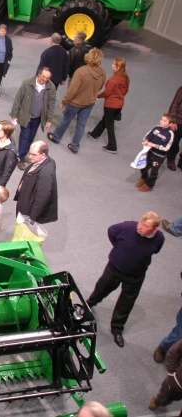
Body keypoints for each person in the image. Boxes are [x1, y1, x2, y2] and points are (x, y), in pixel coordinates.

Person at [86, 212, 165, 347]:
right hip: (114, 269)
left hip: (136, 276)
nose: (140, 227)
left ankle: (117, 329)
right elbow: (111, 232)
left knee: (126, 303)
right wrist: (118, 249)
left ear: (155, 229)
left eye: (145, 226)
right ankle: (88, 304)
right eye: (140, 223)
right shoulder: (127, 227)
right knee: (101, 289)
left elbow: (156, 249)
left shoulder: (159, 238)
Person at [47, 48, 106, 154]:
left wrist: (65, 101)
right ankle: (75, 146)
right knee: (81, 125)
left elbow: (72, 89)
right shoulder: (102, 72)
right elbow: (100, 87)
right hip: (89, 103)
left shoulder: (81, 71)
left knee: (66, 120)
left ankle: (56, 137)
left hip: (75, 102)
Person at [11, 68, 56, 170]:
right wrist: (14, 113)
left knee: (31, 137)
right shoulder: (27, 83)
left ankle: (24, 153)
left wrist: (49, 119)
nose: (45, 79)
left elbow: (51, 104)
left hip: (37, 118)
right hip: (25, 115)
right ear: (39, 74)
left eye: (48, 78)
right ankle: (20, 158)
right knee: (25, 137)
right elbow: (18, 98)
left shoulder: (51, 87)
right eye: (43, 77)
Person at [88, 58, 130, 154]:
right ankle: (95, 134)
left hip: (110, 104)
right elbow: (125, 91)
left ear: (118, 67)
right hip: (119, 104)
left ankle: (112, 146)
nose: (112, 65)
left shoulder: (113, 80)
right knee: (106, 119)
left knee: (109, 124)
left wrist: (97, 96)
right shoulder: (126, 78)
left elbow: (107, 92)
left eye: (114, 64)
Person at [14, 140, 58, 227]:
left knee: (22, 229)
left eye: (34, 154)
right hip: (25, 200)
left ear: (43, 155)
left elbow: (42, 197)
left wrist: (33, 217)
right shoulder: (44, 161)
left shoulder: (45, 174)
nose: (30, 157)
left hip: (27, 211)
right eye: (30, 153)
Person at [137, 113, 175, 192]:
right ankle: (144, 179)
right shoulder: (156, 128)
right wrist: (146, 140)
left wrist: (153, 145)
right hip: (150, 152)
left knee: (154, 171)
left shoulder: (170, 134)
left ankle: (150, 185)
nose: (161, 122)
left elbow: (166, 148)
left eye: (165, 121)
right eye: (161, 119)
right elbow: (148, 134)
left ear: (170, 124)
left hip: (159, 156)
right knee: (143, 166)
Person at [149, 335, 182, 410]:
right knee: (165, 398)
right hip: (177, 383)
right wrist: (172, 374)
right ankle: (158, 400)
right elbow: (174, 353)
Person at [165, 85, 182, 171]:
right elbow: (174, 104)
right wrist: (173, 121)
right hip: (179, 121)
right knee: (175, 142)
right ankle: (171, 159)